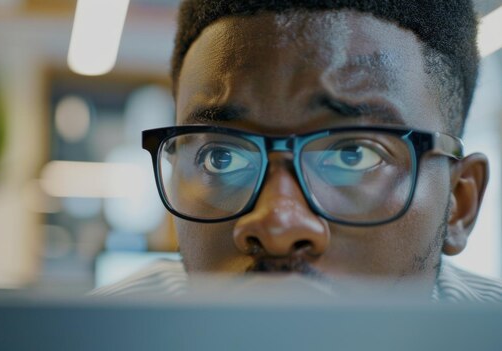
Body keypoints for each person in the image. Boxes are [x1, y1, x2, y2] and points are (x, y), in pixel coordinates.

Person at [94, 0, 502, 301]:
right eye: (221, 156)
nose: (277, 225)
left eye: (354, 155)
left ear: (459, 202)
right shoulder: (87, 336)